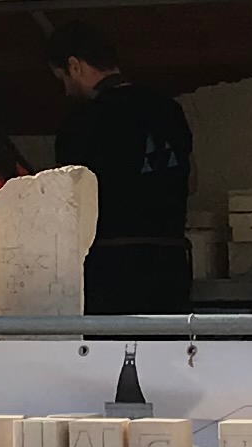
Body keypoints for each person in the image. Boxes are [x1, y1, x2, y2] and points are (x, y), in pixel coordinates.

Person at [44, 17, 192, 312]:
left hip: (112, 269)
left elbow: (67, 205)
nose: (65, 90)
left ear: (75, 66)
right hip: (171, 266)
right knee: (166, 354)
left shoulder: (80, 123)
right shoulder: (169, 109)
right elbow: (193, 179)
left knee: (111, 355)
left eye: (63, 78)